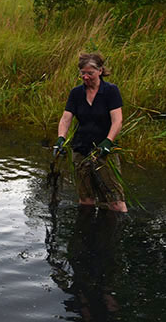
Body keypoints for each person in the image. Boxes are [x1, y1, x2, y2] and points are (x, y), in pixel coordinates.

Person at [53, 53, 127, 212]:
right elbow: (66, 118)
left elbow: (117, 120)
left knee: (115, 202)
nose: (86, 77)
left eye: (90, 73)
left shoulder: (111, 91)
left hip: (104, 152)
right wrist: (60, 138)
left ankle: (114, 234)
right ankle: (87, 234)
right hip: (80, 149)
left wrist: (107, 142)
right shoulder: (76, 93)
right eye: (82, 73)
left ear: (100, 71)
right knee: (86, 200)